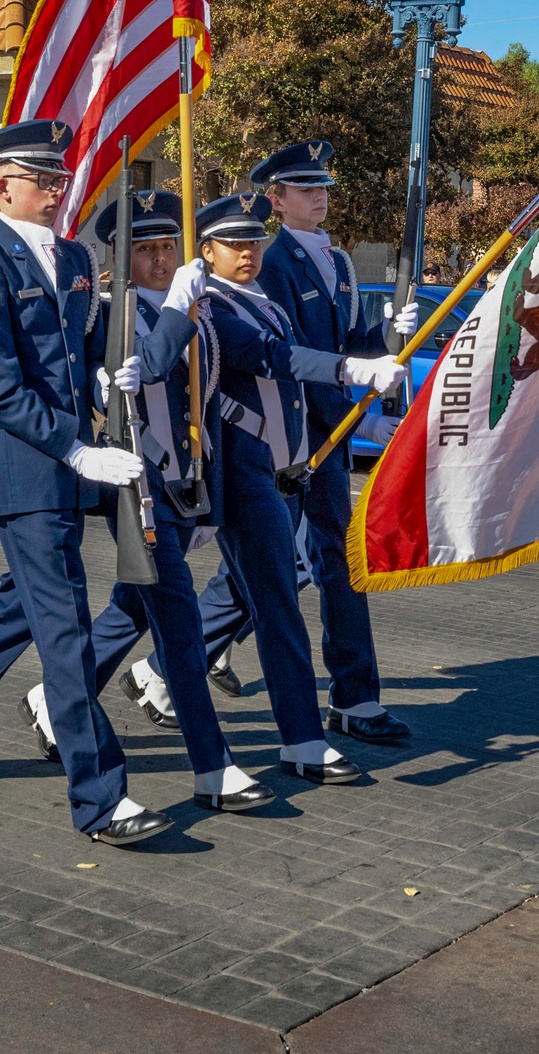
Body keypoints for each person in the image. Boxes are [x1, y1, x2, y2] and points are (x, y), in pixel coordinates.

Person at [0, 122, 172, 847]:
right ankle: (100, 798)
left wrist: (117, 369)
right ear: (1, 185)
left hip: (74, 469)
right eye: (42, 179)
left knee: (22, 611)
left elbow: (83, 350)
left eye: (59, 179)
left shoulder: (76, 255)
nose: (56, 190)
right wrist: (74, 449)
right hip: (28, 472)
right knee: (67, 634)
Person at [122, 192, 408, 781]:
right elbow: (271, 358)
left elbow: (292, 358)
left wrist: (374, 345)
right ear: (205, 253)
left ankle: (301, 740)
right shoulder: (212, 306)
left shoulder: (257, 300)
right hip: (233, 471)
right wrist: (351, 369)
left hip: (277, 466)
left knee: (275, 600)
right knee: (143, 607)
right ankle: (64, 694)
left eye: (254, 241)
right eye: (234, 243)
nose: (249, 252)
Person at [22, 192, 273, 813]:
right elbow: (153, 368)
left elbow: (249, 365)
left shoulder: (198, 310)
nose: (161, 261)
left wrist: (356, 359)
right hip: (137, 489)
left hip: (187, 486)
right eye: (145, 250)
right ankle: (212, 768)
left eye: (168, 248)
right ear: (119, 260)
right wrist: (182, 305)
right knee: (181, 624)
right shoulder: (110, 317)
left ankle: (55, 702)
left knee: (139, 610)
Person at [252, 141, 417, 745]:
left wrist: (383, 334)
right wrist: (358, 421)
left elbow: (345, 343)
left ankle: (354, 697)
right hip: (291, 439)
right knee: (266, 567)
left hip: (328, 437)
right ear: (277, 200)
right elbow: (295, 361)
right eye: (304, 189)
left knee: (338, 565)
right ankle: (163, 669)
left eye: (322, 186)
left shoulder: (340, 263)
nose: (318, 196)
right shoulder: (269, 264)